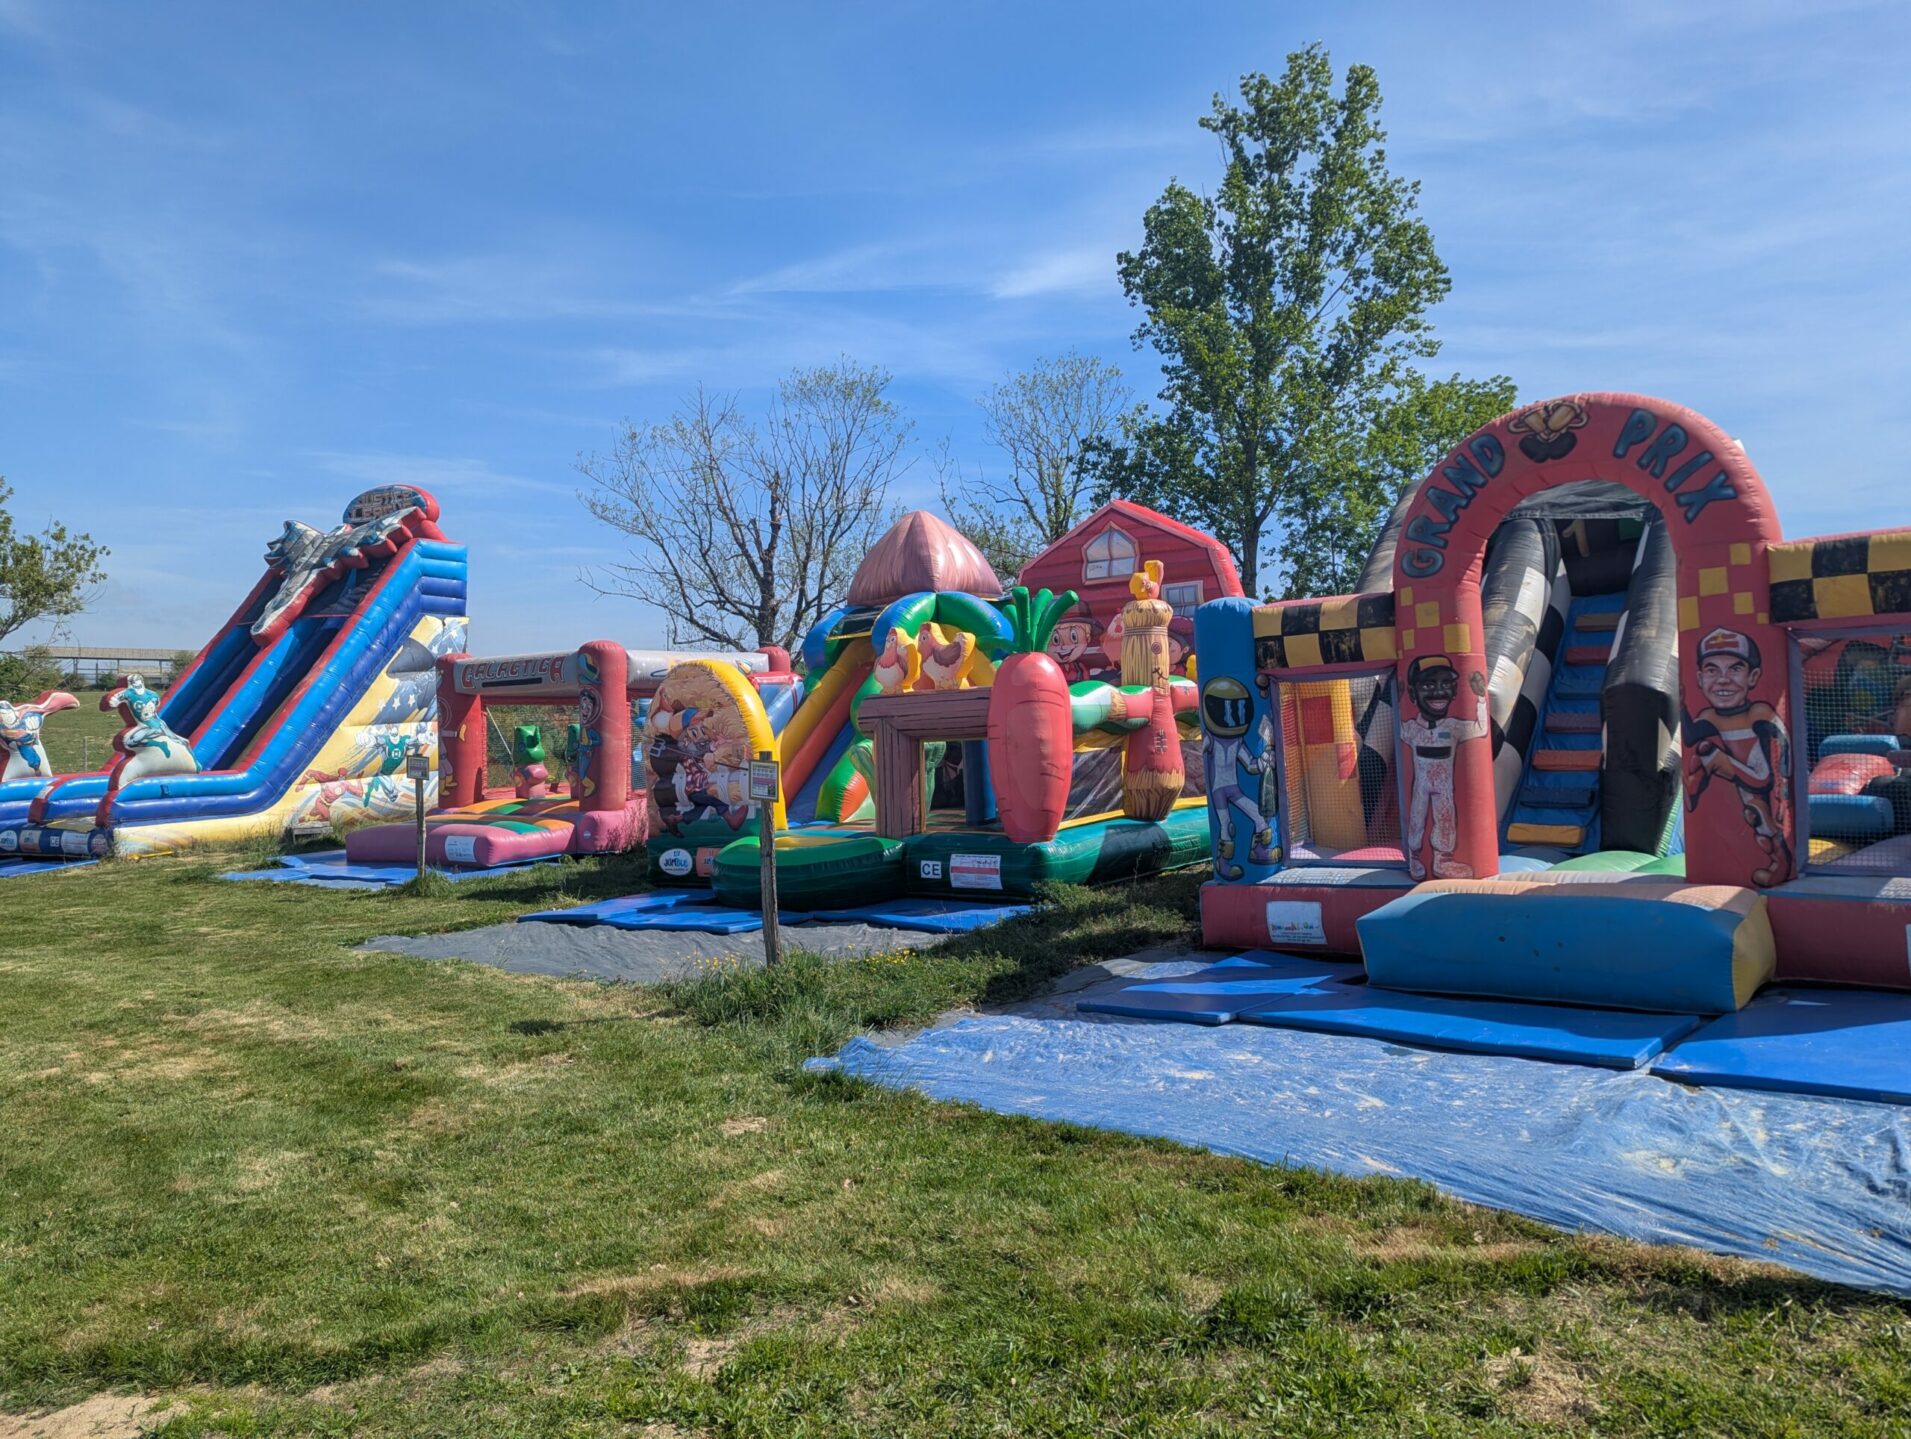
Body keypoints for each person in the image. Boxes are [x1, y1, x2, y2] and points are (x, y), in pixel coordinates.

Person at [1685, 627, 1792, 885]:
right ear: (1699, 678)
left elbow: (1770, 771)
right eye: (1712, 670)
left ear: (1753, 676)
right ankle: (1700, 777)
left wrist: (1781, 789)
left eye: (1735, 669)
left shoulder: (1759, 713)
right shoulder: (1709, 717)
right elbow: (1690, 736)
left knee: (1762, 818)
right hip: (1744, 781)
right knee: (1755, 816)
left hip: (1760, 774)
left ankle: (1780, 864)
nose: (1723, 680)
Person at [1400, 655, 1489, 880]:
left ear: (1455, 691)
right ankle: (1414, 855)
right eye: (1429, 685)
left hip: (1444, 787)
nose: (1439, 692)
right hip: (1421, 785)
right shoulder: (1412, 729)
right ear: (1413, 693)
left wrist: (1480, 698)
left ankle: (1442, 860)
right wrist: (1397, 697)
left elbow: (1480, 728)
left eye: (1446, 685)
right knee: (1417, 818)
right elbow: (1396, 726)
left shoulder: (1453, 727)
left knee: (1446, 818)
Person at [1200, 676, 1275, 878]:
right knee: (1227, 827)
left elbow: (1251, 766)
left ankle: (1258, 851)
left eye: (1238, 710)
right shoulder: (1211, 739)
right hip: (1218, 791)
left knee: (1260, 818)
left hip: (1233, 789)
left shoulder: (1237, 740)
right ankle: (1223, 863)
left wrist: (1263, 761)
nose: (1232, 718)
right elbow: (1200, 753)